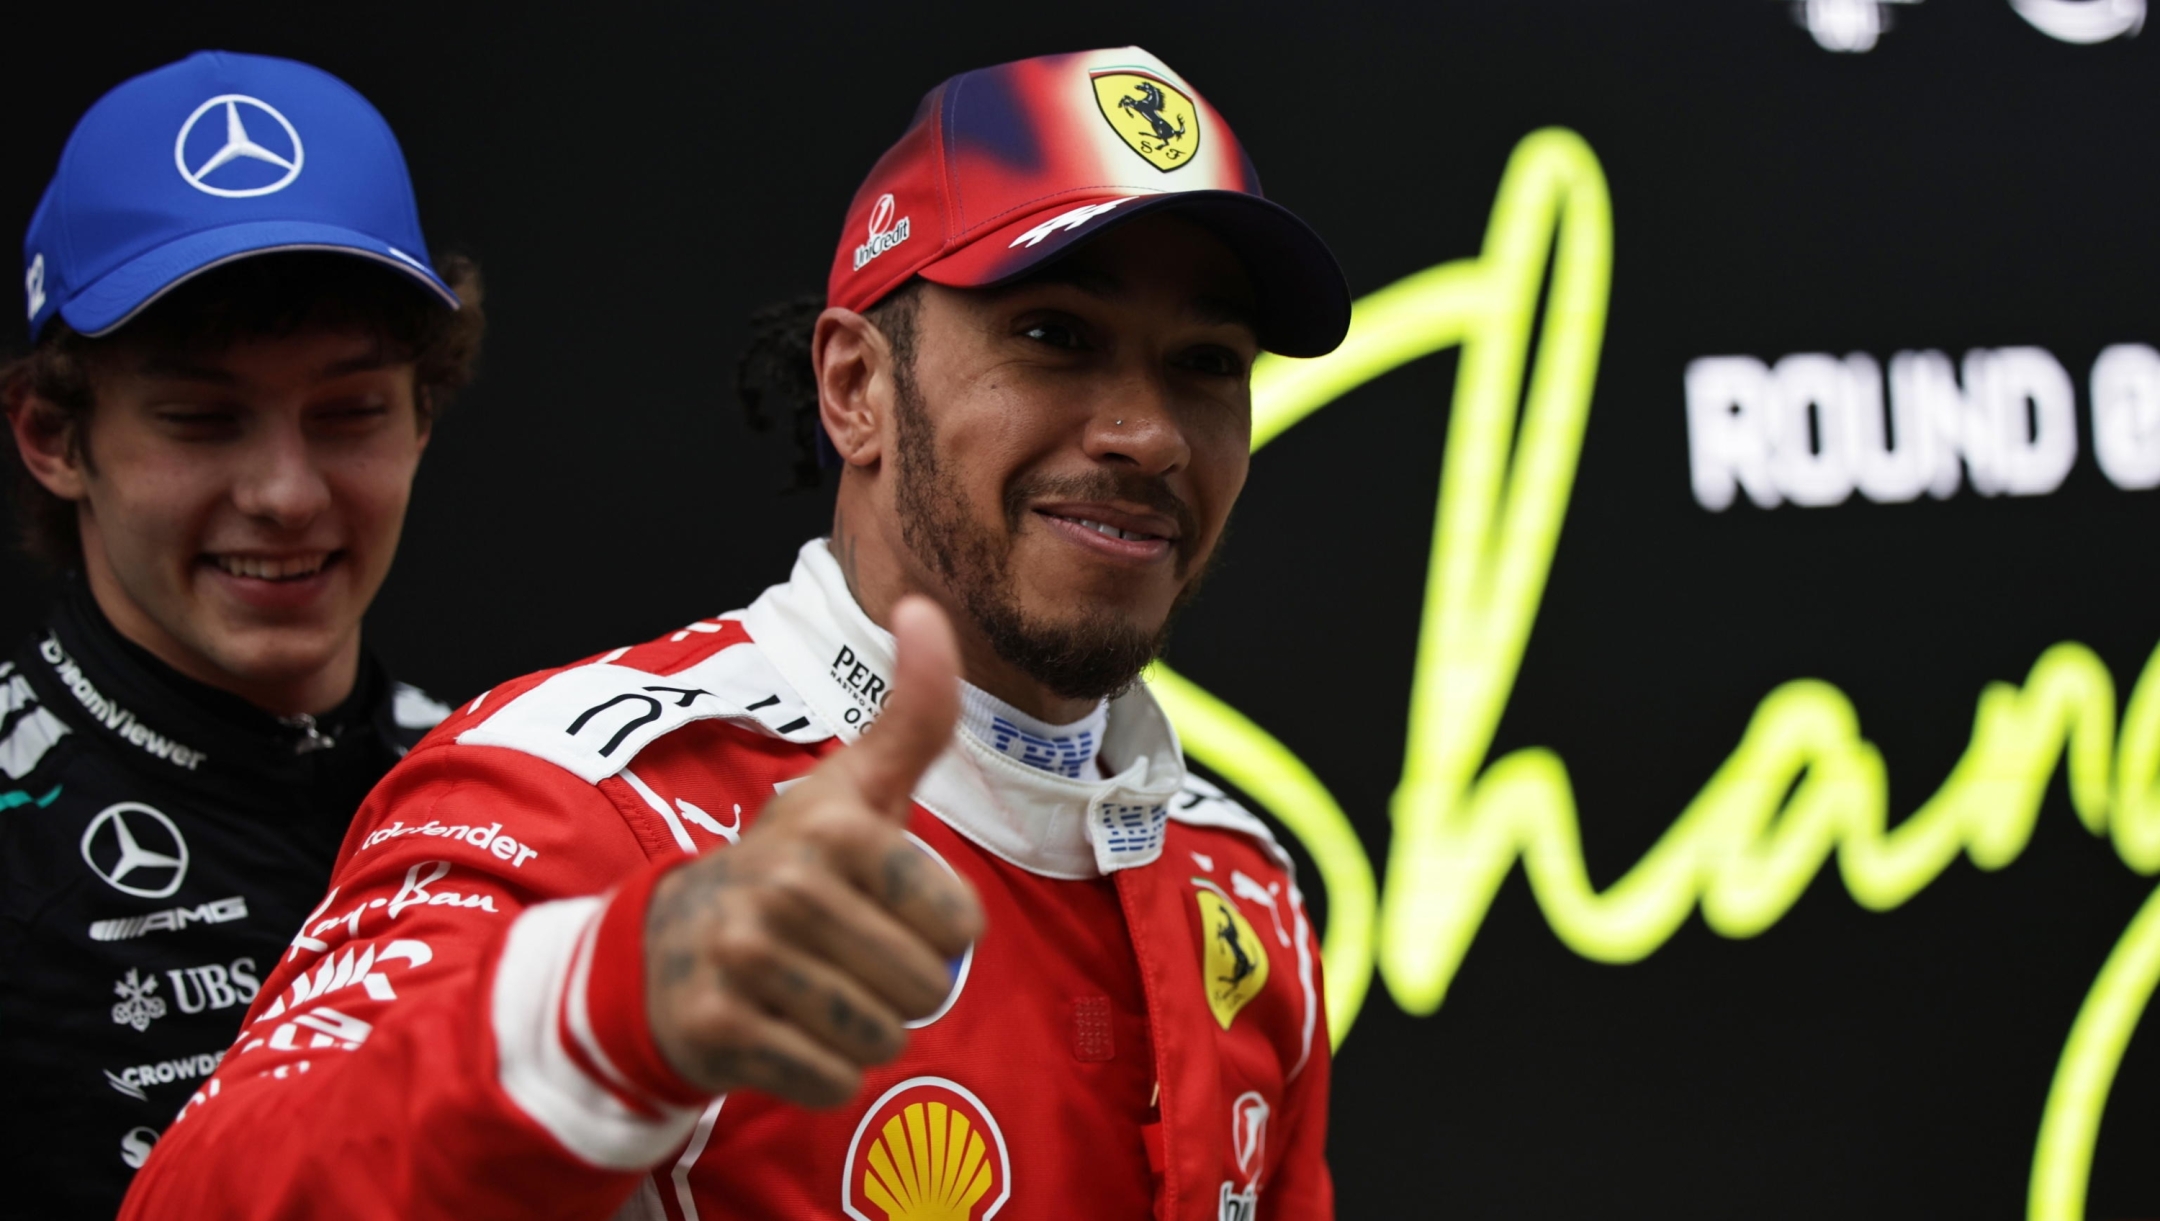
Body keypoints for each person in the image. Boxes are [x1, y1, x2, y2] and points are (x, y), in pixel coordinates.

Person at [121, 47, 1346, 1220]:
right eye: (1055, 336)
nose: (1150, 435)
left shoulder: (1241, 880)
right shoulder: (583, 799)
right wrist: (610, 1002)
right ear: (856, 388)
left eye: (1205, 363)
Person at [0, 51, 482, 1216]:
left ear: (423, 418)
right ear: (53, 438)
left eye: (350, 412)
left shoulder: (507, 787)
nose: (286, 493)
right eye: (203, 420)